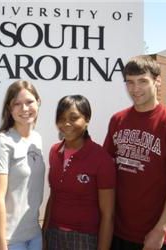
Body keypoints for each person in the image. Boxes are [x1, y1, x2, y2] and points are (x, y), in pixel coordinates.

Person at [103, 55, 166, 250]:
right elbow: (107, 168)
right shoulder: (118, 120)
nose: (135, 89)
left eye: (143, 81)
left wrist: (160, 229)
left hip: (151, 233)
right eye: (130, 82)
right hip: (117, 229)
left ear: (157, 81)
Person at [43, 95, 116, 250]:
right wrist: (44, 235)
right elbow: (53, 196)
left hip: (85, 239)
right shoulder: (54, 151)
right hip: (54, 235)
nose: (66, 123)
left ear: (87, 119)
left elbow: (108, 215)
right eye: (61, 118)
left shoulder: (101, 158)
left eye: (74, 118)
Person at [0, 80, 45, 250]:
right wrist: (1, 246)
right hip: (7, 240)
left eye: (29, 102)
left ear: (38, 102)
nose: (24, 109)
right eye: (17, 104)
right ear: (9, 109)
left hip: (33, 235)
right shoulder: (1, 142)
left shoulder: (36, 139)